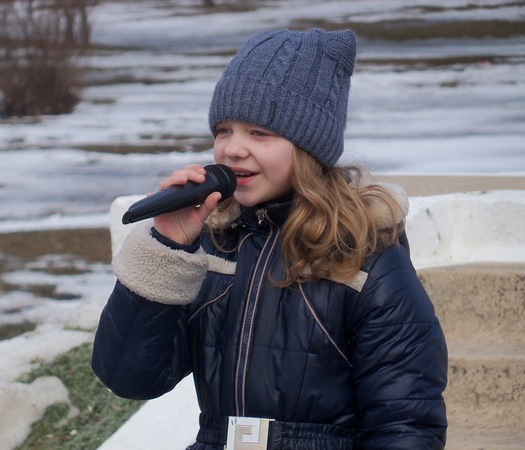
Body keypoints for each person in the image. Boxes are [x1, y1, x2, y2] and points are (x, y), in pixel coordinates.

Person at [92, 28, 448, 450]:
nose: (233, 149)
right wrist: (168, 246)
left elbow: (406, 425)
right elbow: (128, 376)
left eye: (260, 133)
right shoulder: (213, 245)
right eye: (224, 130)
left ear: (309, 148)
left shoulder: (365, 259)